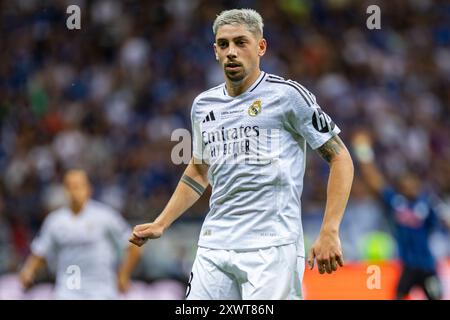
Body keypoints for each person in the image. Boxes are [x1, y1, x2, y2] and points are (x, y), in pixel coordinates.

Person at [129, 8, 354, 300]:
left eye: (240, 42)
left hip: (272, 247)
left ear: (261, 47)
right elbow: (199, 170)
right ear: (215, 51)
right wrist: (162, 222)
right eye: (223, 44)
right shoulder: (203, 105)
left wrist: (329, 230)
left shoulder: (288, 96)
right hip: (214, 245)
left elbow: (340, 157)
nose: (231, 52)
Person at [352, 131, 447, 300]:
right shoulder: (396, 202)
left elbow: (444, 222)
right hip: (408, 266)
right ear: (401, 185)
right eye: (406, 181)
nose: (410, 185)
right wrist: (363, 151)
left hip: (427, 266)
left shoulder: (428, 203)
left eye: (412, 181)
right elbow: (375, 181)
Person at [19, 169, 142, 299]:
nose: (74, 191)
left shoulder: (105, 216)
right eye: (69, 187)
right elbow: (40, 252)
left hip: (102, 292)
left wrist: (124, 275)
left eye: (78, 186)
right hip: (67, 292)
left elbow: (133, 246)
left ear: (88, 189)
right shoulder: (55, 221)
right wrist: (28, 271)